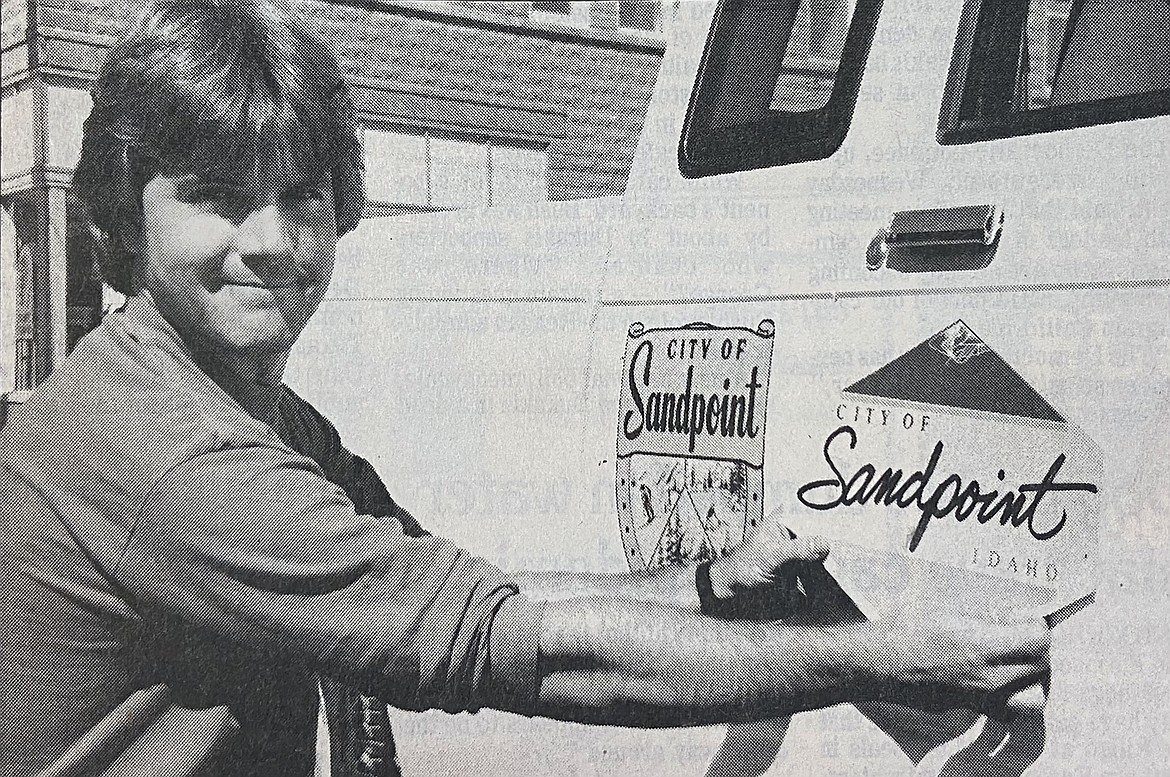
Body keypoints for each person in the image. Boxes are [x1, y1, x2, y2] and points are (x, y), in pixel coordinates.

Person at [0, 1, 1051, 775]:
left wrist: (701, 589)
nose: (273, 243)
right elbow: (527, 658)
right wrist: (886, 659)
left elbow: (477, 598)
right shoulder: (178, 455)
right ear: (125, 222)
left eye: (302, 196)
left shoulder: (227, 403)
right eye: (219, 200)